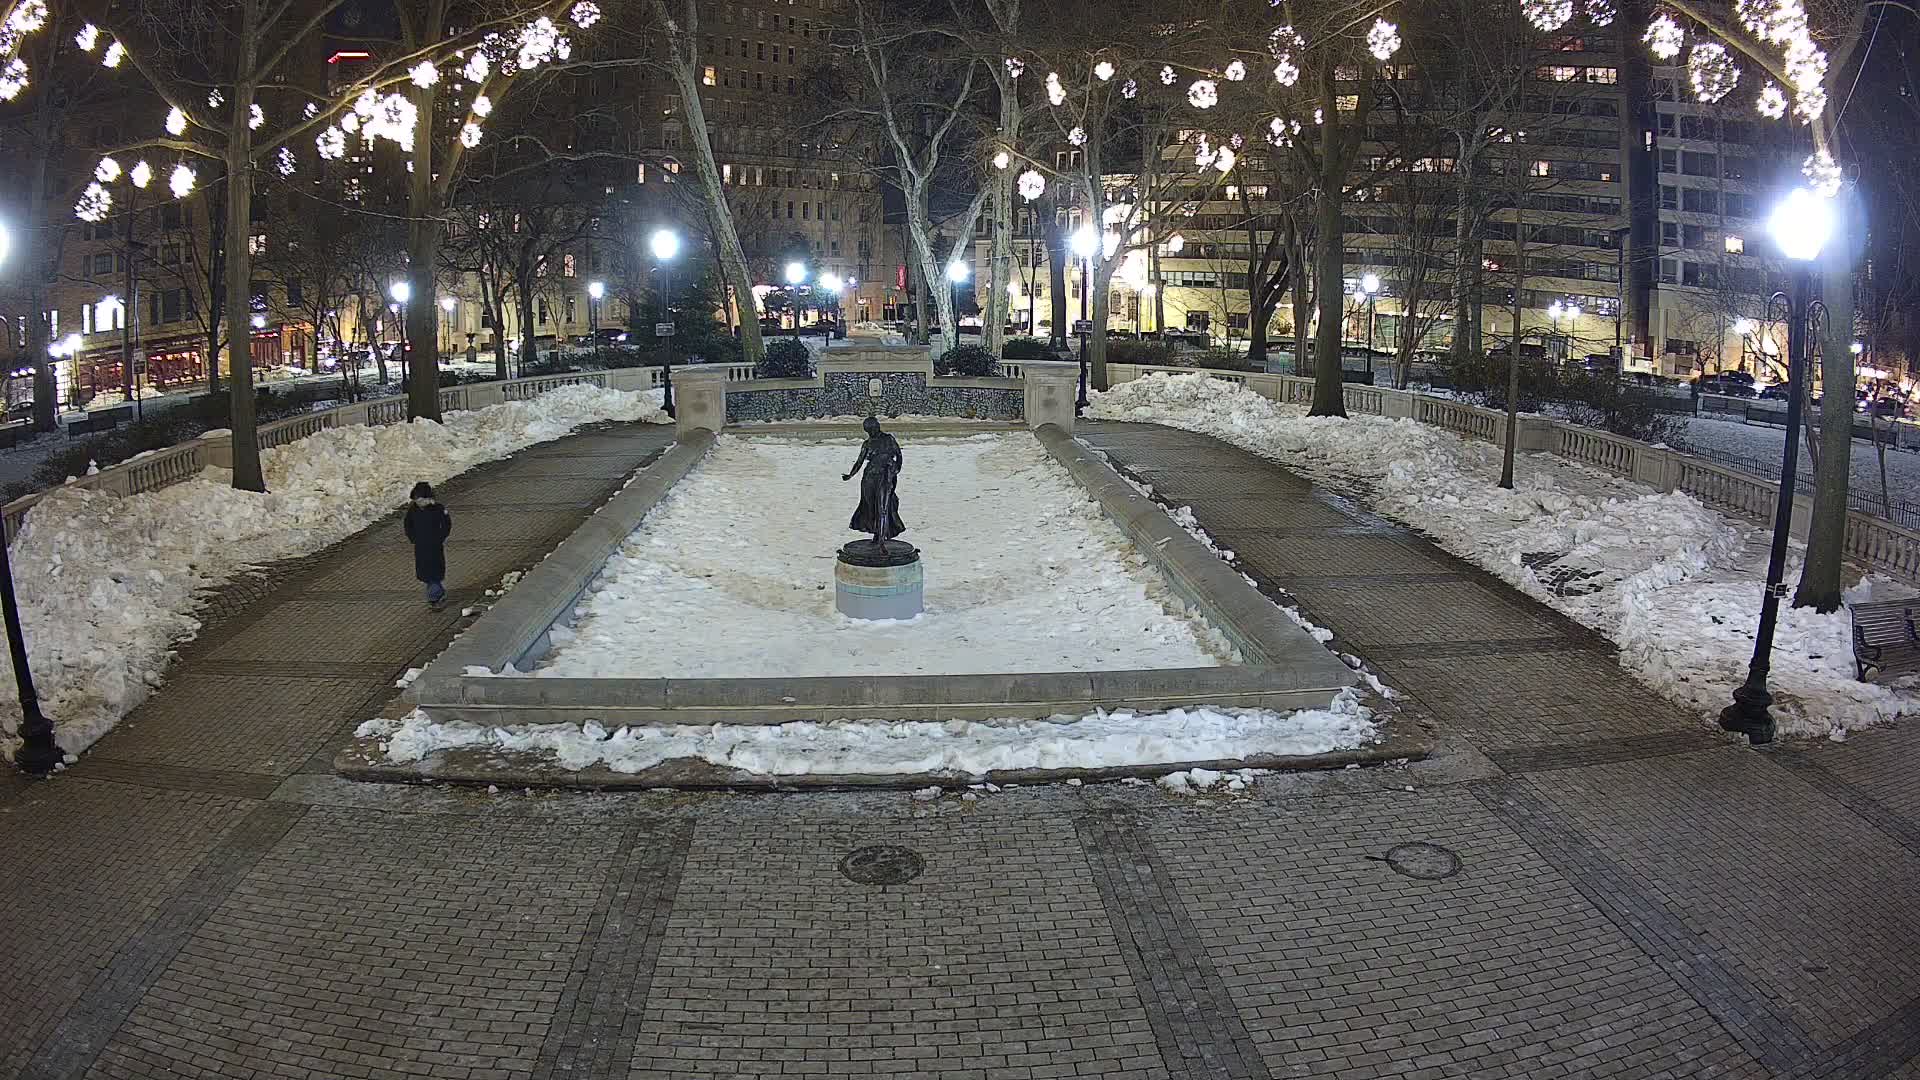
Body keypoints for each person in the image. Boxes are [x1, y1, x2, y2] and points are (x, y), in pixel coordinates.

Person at [842, 416, 905, 543]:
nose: (872, 432)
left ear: (877, 426)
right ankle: (877, 534)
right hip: (869, 478)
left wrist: (897, 469)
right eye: (869, 430)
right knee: (870, 508)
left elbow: (898, 454)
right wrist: (850, 475)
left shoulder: (888, 439)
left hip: (885, 477)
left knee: (883, 507)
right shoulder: (867, 444)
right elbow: (859, 462)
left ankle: (882, 540)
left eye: (874, 428)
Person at [403, 481, 453, 608]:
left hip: (434, 546)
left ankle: (434, 597)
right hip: (420, 547)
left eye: (420, 500)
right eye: (416, 500)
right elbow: (408, 525)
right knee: (426, 573)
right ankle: (438, 593)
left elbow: (446, 524)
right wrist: (413, 538)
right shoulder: (412, 511)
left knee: (434, 573)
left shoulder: (438, 509)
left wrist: (440, 537)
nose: (418, 502)